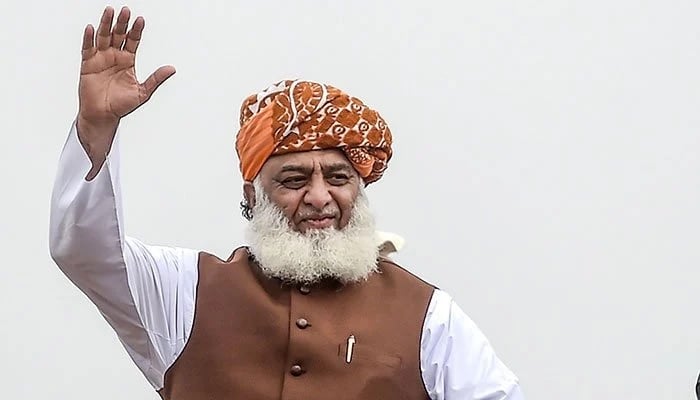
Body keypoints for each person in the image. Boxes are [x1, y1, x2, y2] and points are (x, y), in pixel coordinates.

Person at [49, 5, 524, 400]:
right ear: (251, 196)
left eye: (338, 178)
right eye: (294, 179)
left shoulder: (430, 318)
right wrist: (95, 128)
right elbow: (85, 252)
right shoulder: (184, 295)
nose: (320, 198)